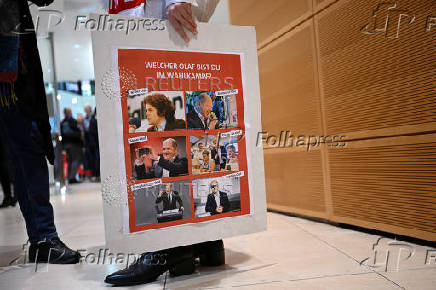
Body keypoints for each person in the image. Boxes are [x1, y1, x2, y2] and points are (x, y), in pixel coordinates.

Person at [105, 0, 225, 286]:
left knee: (164, 73)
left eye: (148, 111)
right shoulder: (162, 138)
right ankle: (205, 242)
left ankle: (168, 248)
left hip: (158, 22)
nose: (144, 115)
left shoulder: (176, 134)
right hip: (132, 25)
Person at [0, 0, 80, 263]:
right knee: (26, 150)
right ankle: (43, 238)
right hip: (8, 73)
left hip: (13, 64)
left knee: (25, 150)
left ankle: (42, 238)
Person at [60, 107, 83, 183]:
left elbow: (62, 135)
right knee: (75, 160)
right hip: (74, 144)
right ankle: (72, 177)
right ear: (69, 112)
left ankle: (70, 177)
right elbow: (77, 133)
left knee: (70, 161)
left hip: (66, 145)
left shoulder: (62, 122)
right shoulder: (73, 121)